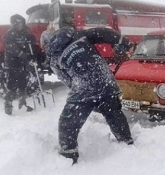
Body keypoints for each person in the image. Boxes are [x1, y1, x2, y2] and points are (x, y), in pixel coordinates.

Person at [45, 26, 134, 164]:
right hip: (106, 80)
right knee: (114, 114)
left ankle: (68, 156)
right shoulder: (79, 35)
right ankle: (127, 142)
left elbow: (68, 80)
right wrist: (123, 42)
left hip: (83, 87)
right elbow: (104, 32)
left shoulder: (54, 58)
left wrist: (86, 100)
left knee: (67, 123)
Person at [3, 14, 38, 115]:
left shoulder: (26, 33)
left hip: (23, 64)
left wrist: (33, 53)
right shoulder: (9, 35)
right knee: (11, 85)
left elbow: (32, 46)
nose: (19, 25)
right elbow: (11, 48)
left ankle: (22, 104)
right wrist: (23, 54)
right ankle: (8, 105)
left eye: (20, 23)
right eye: (16, 23)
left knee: (23, 84)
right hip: (12, 64)